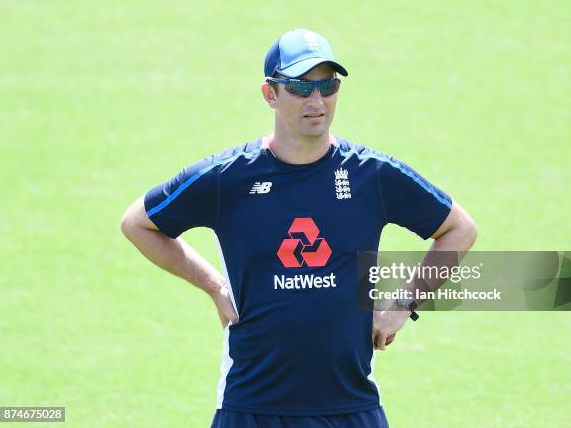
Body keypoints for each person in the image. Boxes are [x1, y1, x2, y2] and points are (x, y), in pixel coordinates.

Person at [120, 28, 477, 428]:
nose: (317, 100)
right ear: (270, 94)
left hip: (350, 406)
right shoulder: (228, 177)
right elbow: (138, 224)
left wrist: (403, 304)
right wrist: (214, 286)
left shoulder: (372, 175)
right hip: (251, 406)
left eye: (328, 85)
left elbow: (459, 228)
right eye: (300, 87)